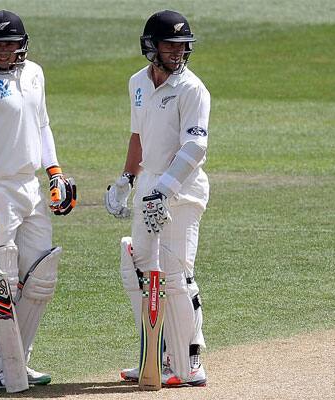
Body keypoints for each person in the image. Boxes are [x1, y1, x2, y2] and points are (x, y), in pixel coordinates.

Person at [0, 10, 77, 390]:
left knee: (39, 277)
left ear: (22, 46)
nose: (3, 52)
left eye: (10, 44)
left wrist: (54, 171)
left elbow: (42, 125)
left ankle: (17, 362)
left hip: (31, 188)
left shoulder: (35, 74)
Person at [104, 9, 210, 387]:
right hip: (148, 187)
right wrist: (126, 181)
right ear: (151, 47)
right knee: (138, 268)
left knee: (176, 275)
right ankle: (156, 356)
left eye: (183, 46)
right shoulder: (137, 82)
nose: (178, 52)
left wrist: (163, 190)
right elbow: (138, 138)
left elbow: (195, 146)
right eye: (170, 45)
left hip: (182, 193)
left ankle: (190, 361)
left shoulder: (192, 89)